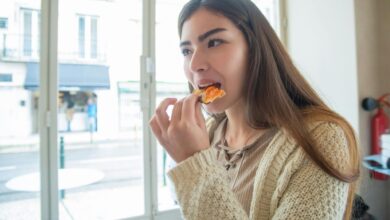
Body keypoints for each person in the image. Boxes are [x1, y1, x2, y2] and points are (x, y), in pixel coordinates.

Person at [149, 0, 360, 219]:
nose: (194, 64)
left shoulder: (321, 139)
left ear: (255, 48)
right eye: (186, 50)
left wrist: (193, 162)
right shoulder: (206, 133)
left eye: (214, 42)